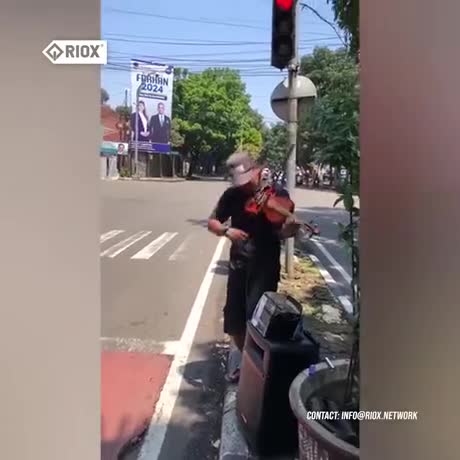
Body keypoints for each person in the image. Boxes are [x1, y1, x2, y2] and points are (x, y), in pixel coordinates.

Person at [207, 153, 300, 382]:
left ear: (256, 171)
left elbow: (282, 232)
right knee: (234, 319)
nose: (244, 186)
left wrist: (289, 229)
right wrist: (226, 231)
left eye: (247, 180)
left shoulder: (277, 194)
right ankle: (244, 357)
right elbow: (212, 222)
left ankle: (255, 367)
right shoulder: (232, 195)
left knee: (258, 319)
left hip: (265, 266)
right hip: (239, 264)